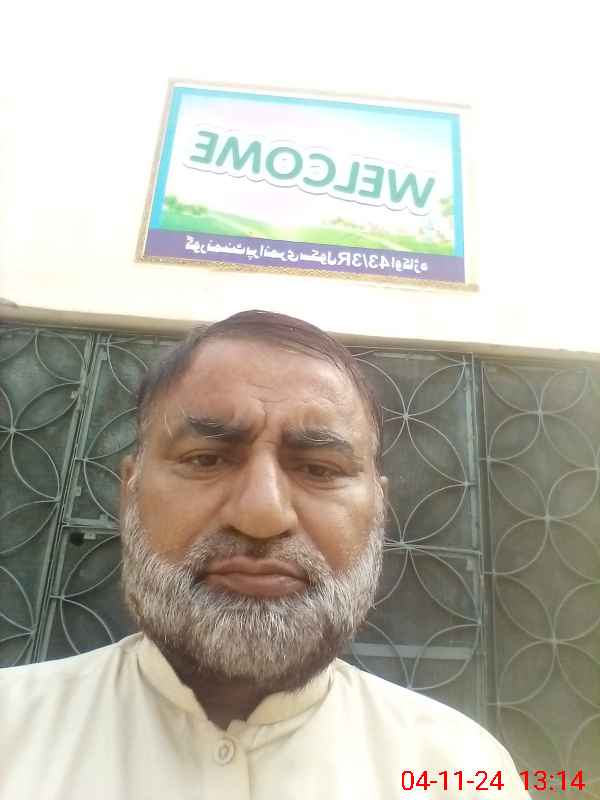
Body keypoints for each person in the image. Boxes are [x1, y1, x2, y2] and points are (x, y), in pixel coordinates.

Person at [0, 310, 530, 798]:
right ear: (130, 493)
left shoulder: (463, 769)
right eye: (205, 459)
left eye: (319, 469)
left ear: (379, 510)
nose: (262, 514)